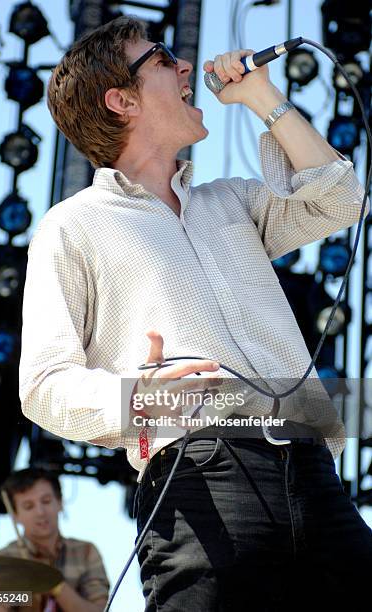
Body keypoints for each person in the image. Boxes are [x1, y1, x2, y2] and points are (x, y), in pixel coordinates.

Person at [19, 15, 372, 612]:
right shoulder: (71, 227)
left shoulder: (230, 200)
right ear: (120, 99)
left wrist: (261, 96)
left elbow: (339, 198)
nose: (186, 66)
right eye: (162, 58)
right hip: (202, 483)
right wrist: (134, 399)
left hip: (315, 477)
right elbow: (43, 384)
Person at [0, 468, 109, 612]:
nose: (40, 512)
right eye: (28, 506)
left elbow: (99, 610)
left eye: (46, 501)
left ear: (60, 502)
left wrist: (55, 585)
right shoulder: (3, 559)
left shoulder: (86, 551)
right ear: (15, 515)